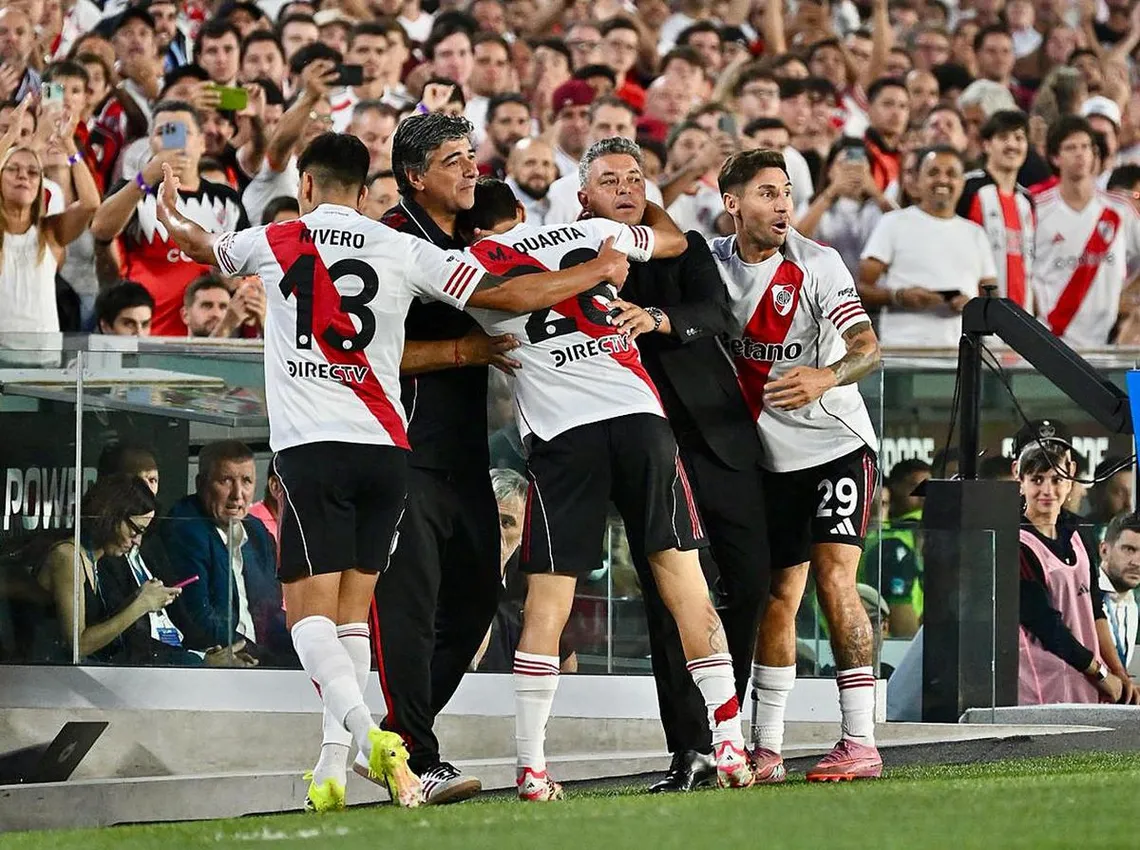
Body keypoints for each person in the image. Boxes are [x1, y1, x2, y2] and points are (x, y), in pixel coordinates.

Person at [157, 131, 629, 811]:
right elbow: (494, 297)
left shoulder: (280, 237)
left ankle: (374, 738)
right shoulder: (400, 244)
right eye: (453, 161)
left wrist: (165, 204)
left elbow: (204, 246)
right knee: (372, 618)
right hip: (394, 451)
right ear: (388, 180)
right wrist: (593, 271)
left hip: (338, 448)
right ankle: (359, 763)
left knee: (331, 617)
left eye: (470, 159)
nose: (469, 171)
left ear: (306, 184)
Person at [455, 177, 755, 801]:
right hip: (640, 420)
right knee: (685, 583)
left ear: (470, 229)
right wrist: (637, 205)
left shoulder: (468, 266)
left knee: (548, 600)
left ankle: (532, 767)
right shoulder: (593, 233)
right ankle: (728, 740)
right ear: (521, 211)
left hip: (564, 436)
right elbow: (673, 241)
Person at [572, 136, 770, 792]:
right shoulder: (573, 257)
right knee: (668, 601)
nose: (626, 189)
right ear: (584, 196)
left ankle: (727, 725)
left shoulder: (684, 247)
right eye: (610, 180)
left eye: (634, 178)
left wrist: (654, 317)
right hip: (646, 447)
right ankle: (691, 750)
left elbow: (717, 313)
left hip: (718, 437)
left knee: (750, 580)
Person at [710, 149, 883, 782]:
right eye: (767, 193)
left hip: (837, 445)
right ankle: (768, 747)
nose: (783, 204)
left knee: (835, 579)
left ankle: (860, 741)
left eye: (786, 192)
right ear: (733, 204)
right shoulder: (714, 264)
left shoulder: (818, 264)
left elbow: (868, 349)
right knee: (777, 595)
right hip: (770, 458)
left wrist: (824, 376)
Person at [89, 99, 249, 336]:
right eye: (162, 132)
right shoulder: (133, 191)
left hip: (207, 340)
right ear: (150, 142)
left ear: (202, 142)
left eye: (183, 132)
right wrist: (145, 179)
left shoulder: (227, 199)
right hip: (143, 336)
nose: (173, 140)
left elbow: (241, 272)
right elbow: (100, 229)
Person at [147, 440, 291, 667]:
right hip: (218, 666)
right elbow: (199, 620)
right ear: (201, 484)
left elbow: (270, 611)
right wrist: (264, 658)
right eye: (226, 481)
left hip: (259, 660)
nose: (237, 494)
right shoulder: (185, 528)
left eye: (246, 481)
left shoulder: (257, 531)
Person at [1016, 442, 1124, 706]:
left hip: (1086, 683)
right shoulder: (1017, 543)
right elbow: (1045, 624)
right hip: (1042, 691)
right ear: (1020, 480)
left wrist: (1119, 673)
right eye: (1037, 479)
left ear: (1071, 477)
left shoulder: (1079, 532)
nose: (1047, 490)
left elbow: (1095, 607)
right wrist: (1101, 673)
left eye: (1057, 479)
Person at [858, 146, 997, 348]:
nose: (942, 180)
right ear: (918, 180)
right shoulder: (893, 223)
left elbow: (991, 298)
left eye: (951, 174)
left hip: (961, 353)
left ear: (962, 182)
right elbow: (861, 289)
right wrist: (899, 297)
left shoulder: (976, 233)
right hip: (903, 351)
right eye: (933, 172)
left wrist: (971, 305)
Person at [34, 474, 177, 662]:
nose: (137, 542)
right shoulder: (68, 557)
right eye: (135, 531)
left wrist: (136, 599)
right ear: (111, 516)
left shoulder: (95, 558)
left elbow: (99, 629)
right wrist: (141, 605)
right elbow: (77, 646)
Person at [1032, 116, 1140, 348]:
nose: (1080, 154)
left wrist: (1128, 295)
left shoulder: (1119, 210)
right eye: (1071, 148)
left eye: (1085, 147)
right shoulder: (1036, 210)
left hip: (1107, 344)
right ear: (1055, 157)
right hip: (1050, 342)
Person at [0, 112, 99, 344]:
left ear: (40, 184)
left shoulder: (50, 232)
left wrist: (70, 146)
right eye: (13, 169)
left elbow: (90, 203)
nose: (23, 176)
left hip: (44, 357)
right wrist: (9, 137)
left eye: (33, 172)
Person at [956, 110, 1035, 311]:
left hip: (1020, 314)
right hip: (974, 312)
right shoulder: (967, 187)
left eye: (1019, 138)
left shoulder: (1027, 201)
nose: (1012, 145)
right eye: (1003, 137)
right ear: (986, 145)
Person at [860, 459, 930, 638]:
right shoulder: (892, 546)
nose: (924, 495)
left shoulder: (892, 539)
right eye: (870, 504)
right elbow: (902, 628)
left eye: (883, 504)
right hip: (890, 644)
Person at [1098, 512, 1140, 694]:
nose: (1137, 562)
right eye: (1129, 549)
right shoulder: (1083, 594)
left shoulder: (1132, 603)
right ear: (1104, 551)